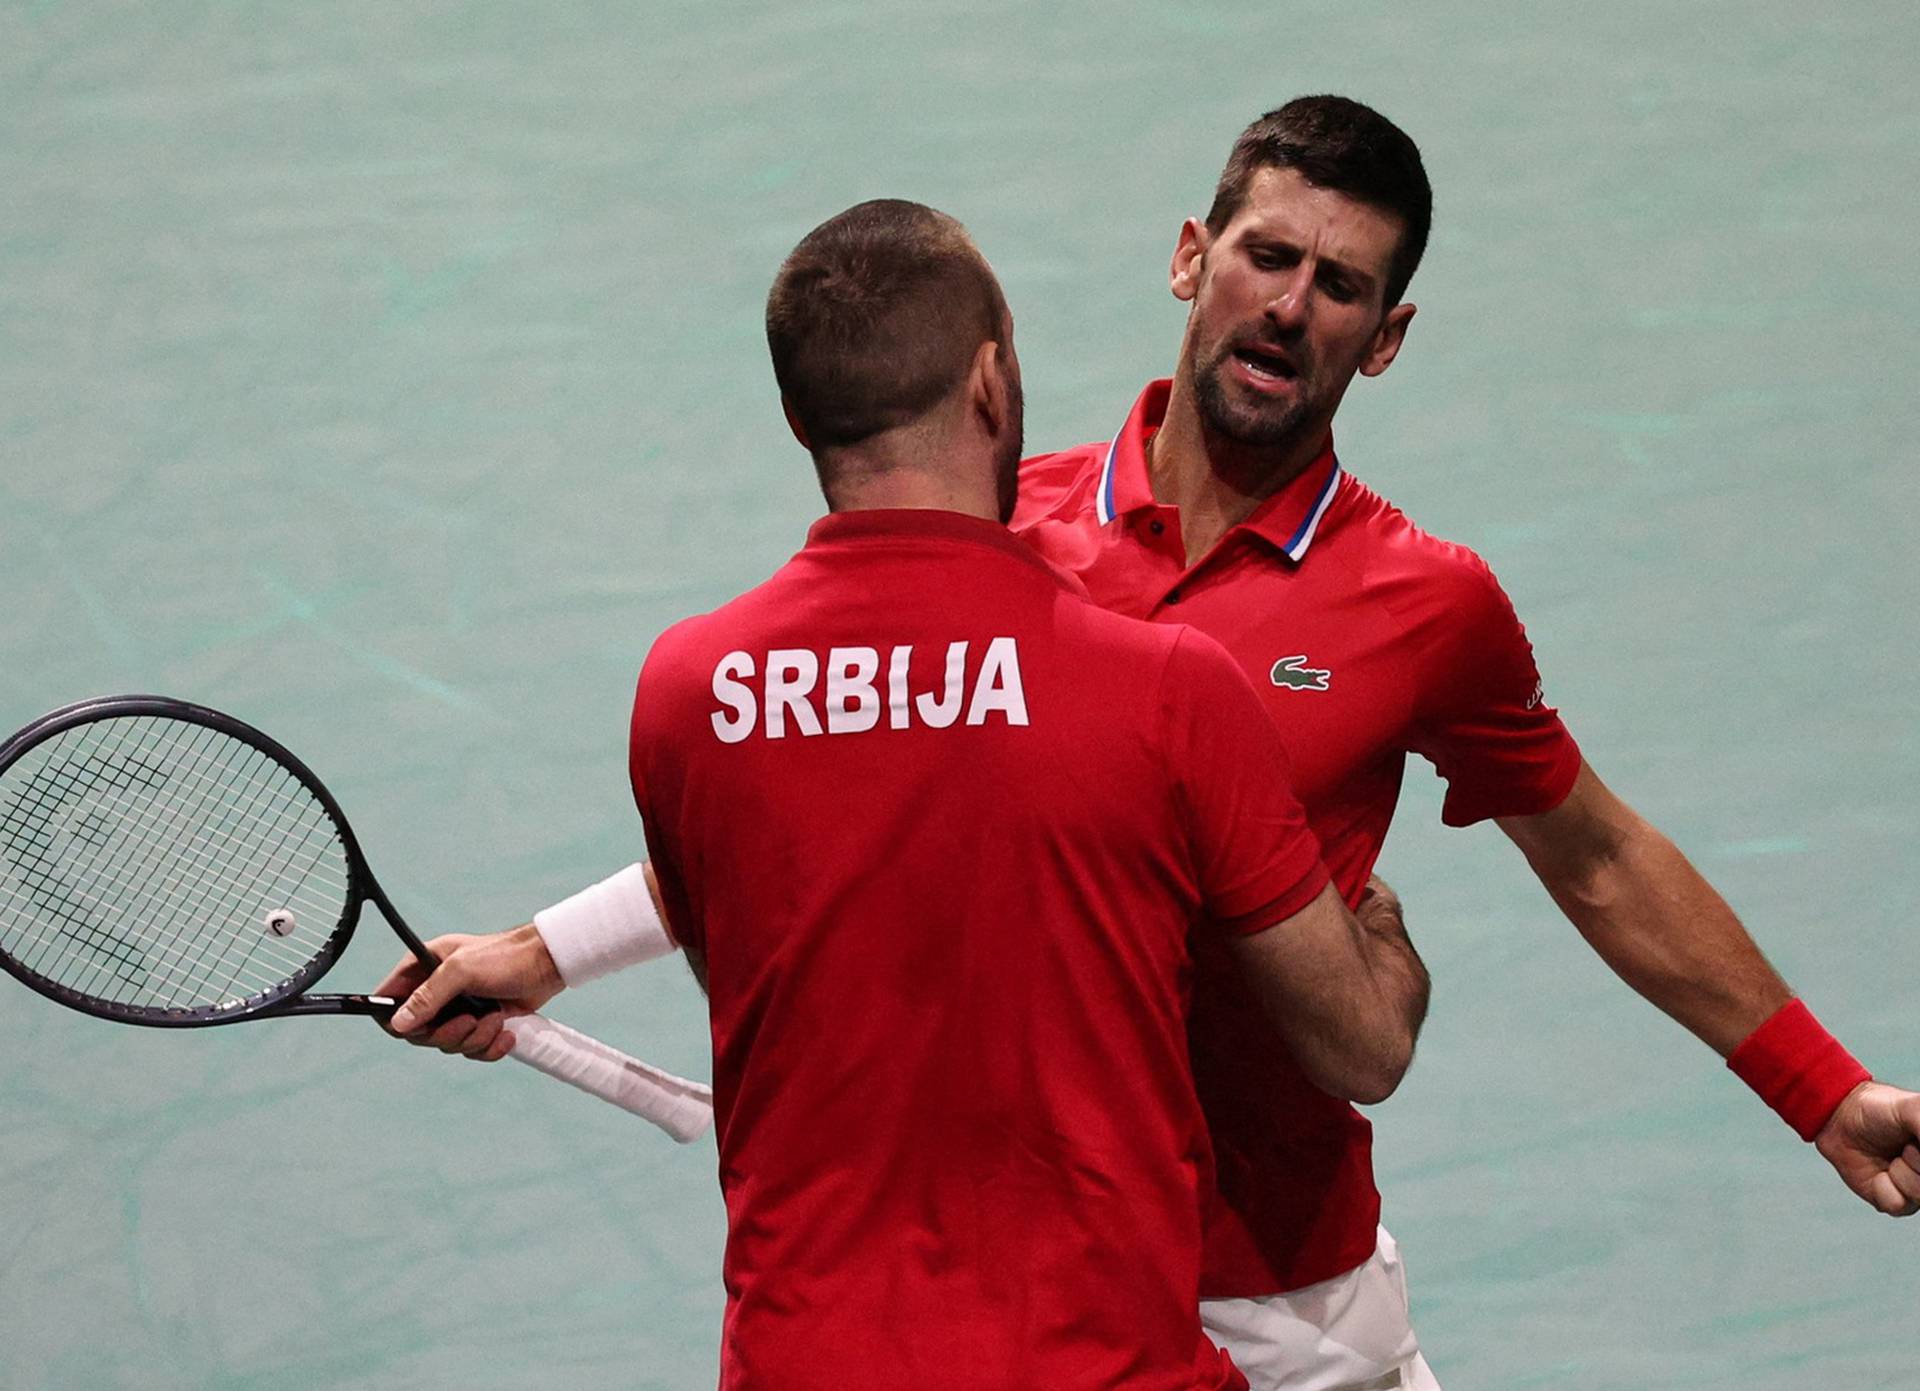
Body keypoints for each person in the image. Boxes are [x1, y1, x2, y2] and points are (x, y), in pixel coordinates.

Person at [395, 102, 1920, 1391]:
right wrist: (544, 950)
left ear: (1384, 341)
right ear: (1190, 259)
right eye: (1267, 254)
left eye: (1341, 286)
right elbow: (842, 798)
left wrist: (1819, 1088)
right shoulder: (993, 529)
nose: (1290, 304)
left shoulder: (1426, 604)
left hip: (1286, 1291)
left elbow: (1594, 852)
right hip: (1037, 1292)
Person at [383, 198, 1430, 1391]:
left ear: (796, 417)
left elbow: (773, 951)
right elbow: (1360, 1042)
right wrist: (1387, 951)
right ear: (992, 381)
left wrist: (538, 949)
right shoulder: (1168, 691)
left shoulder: (686, 693)